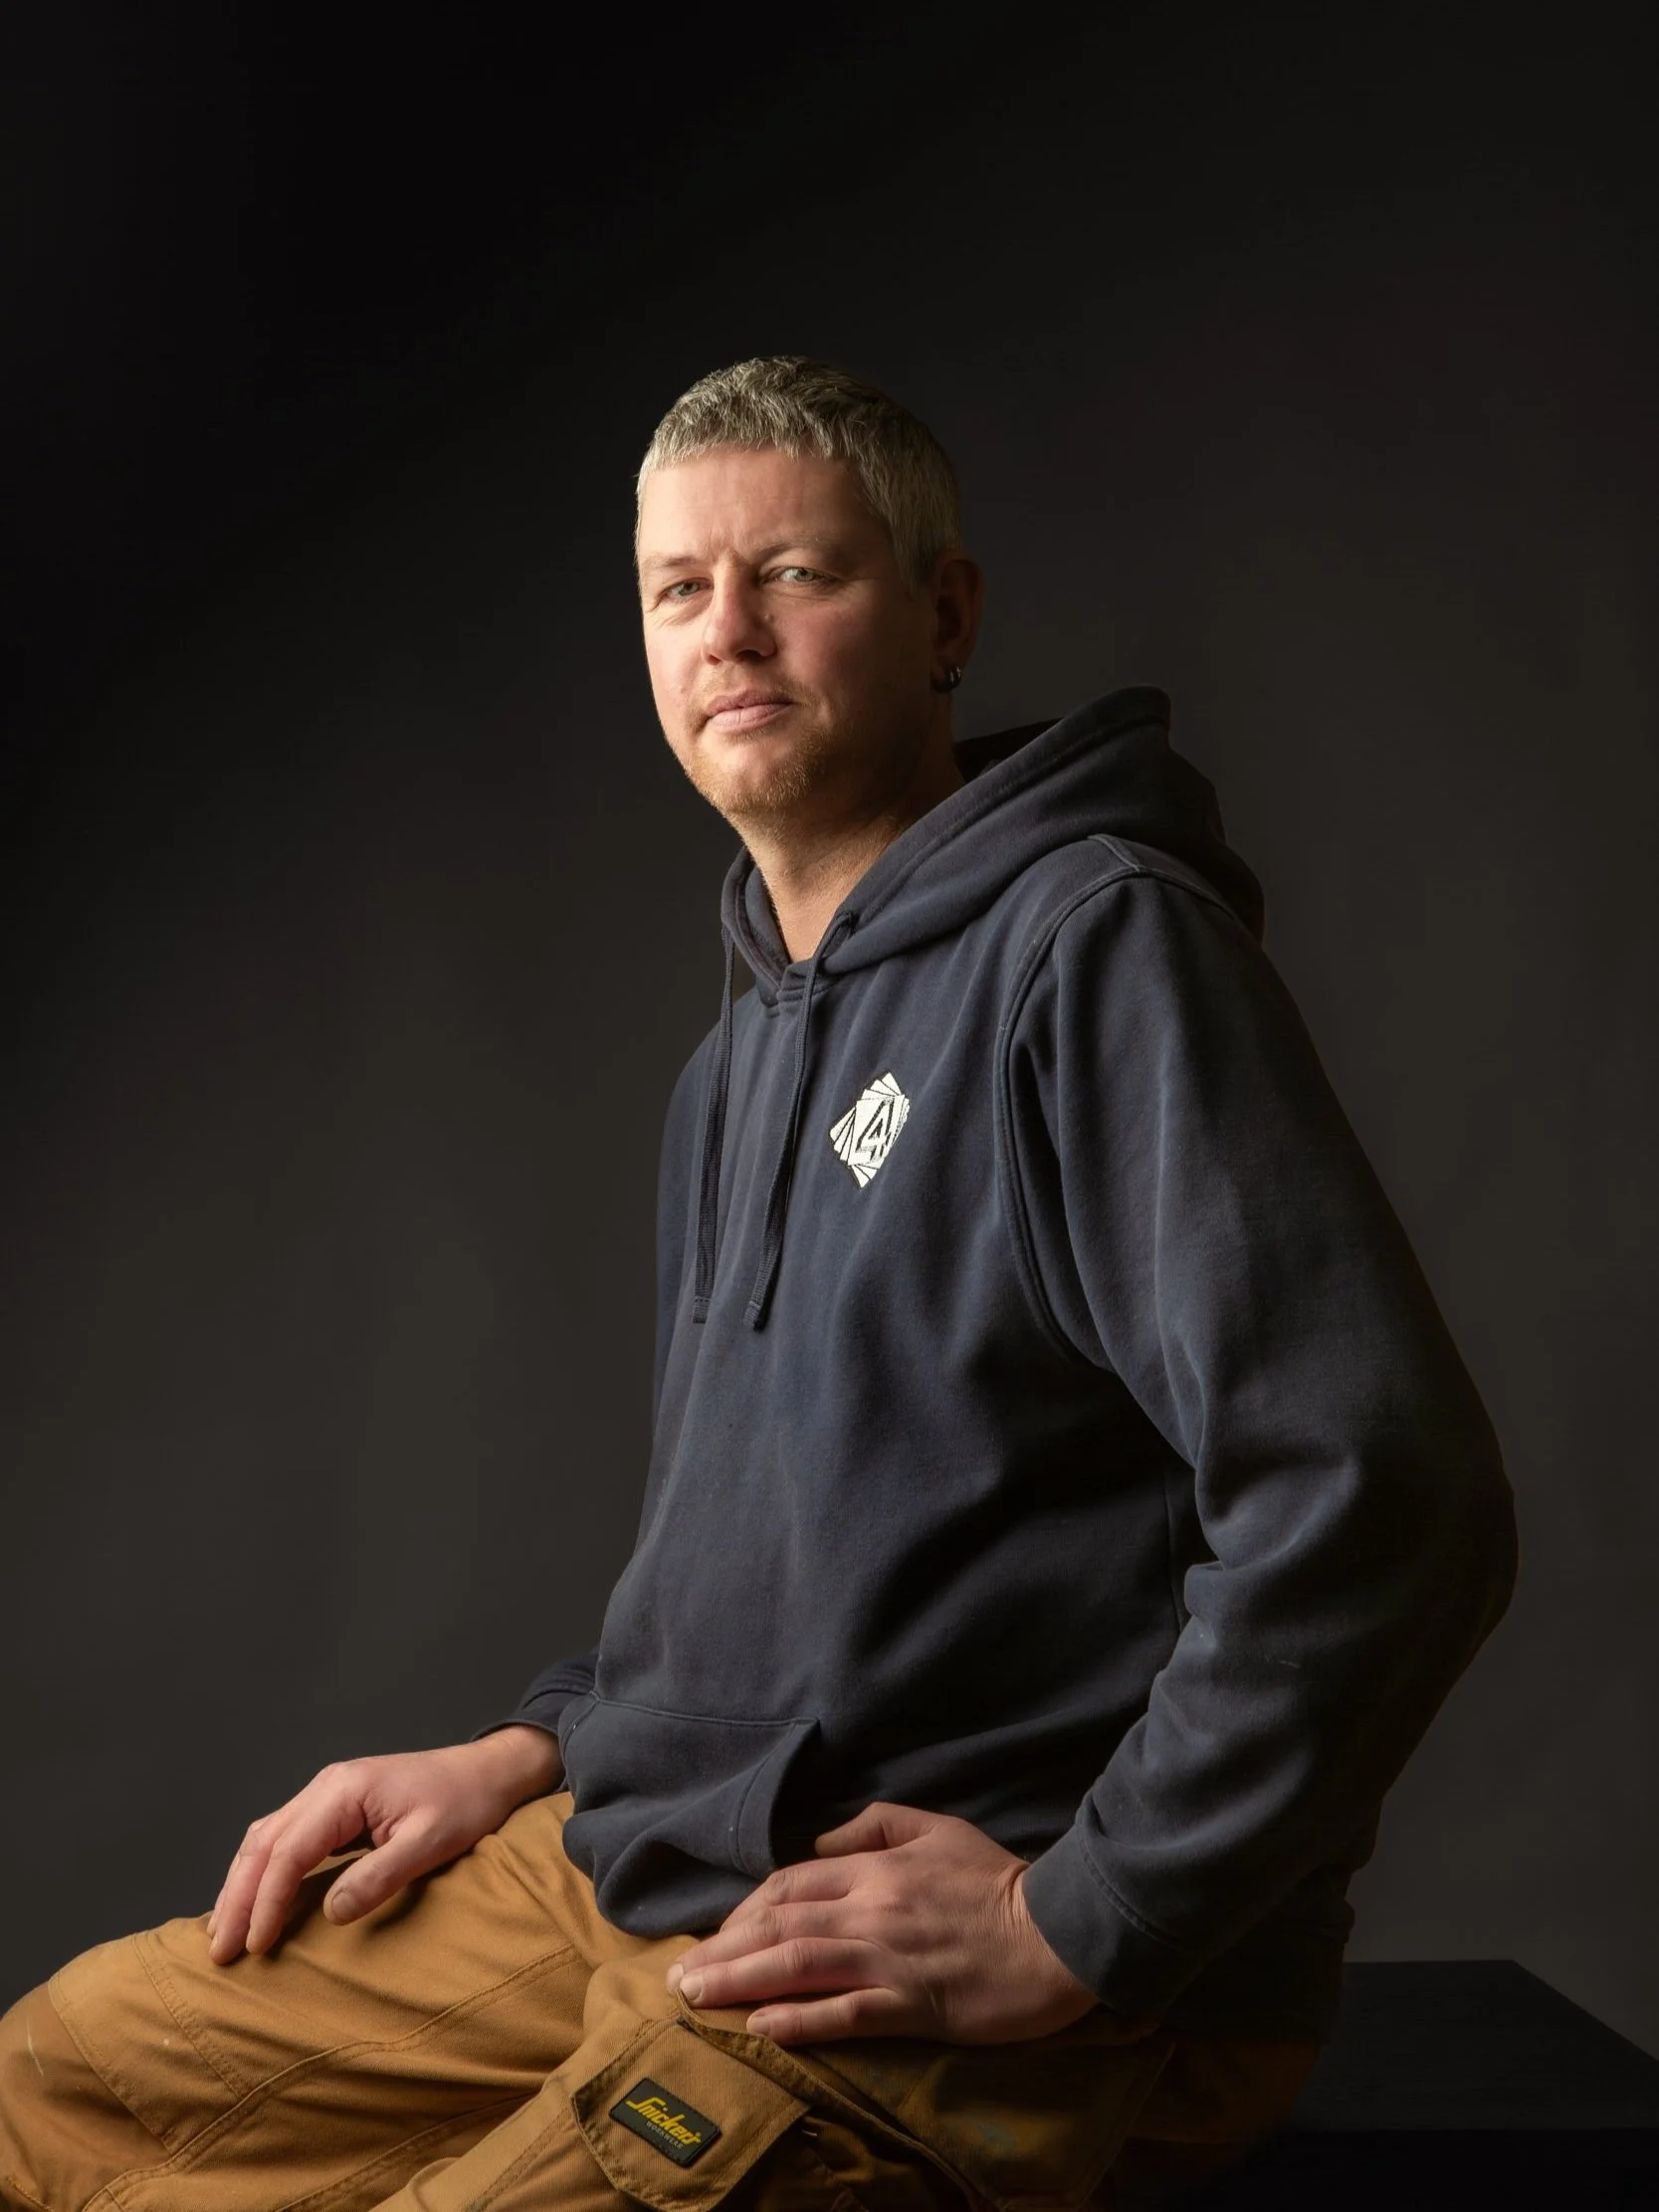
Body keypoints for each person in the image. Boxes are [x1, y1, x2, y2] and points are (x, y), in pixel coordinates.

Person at [0, 357, 1518, 2211]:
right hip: (651, 1865)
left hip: (919, 1936)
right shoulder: (737, 1067)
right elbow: (783, 1572)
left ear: (943, 614)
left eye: (794, 572)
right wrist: (532, 1746)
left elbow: (1387, 1497)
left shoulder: (1094, 948)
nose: (726, 630)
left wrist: (1082, 1915)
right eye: (677, 588)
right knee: (51, 2092)